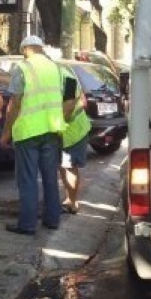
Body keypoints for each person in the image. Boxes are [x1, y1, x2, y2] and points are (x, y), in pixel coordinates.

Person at [0, 35, 66, 234]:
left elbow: (14, 104)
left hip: (29, 131)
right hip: (52, 129)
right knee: (50, 178)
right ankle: (52, 220)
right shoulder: (55, 68)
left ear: (26, 49)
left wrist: (6, 132)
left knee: (27, 180)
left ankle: (28, 225)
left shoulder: (23, 68)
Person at [59, 65, 91, 214]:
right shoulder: (64, 74)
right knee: (64, 166)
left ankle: (72, 202)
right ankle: (69, 200)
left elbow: (72, 104)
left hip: (74, 131)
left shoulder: (67, 78)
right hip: (67, 132)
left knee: (70, 167)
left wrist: (58, 123)